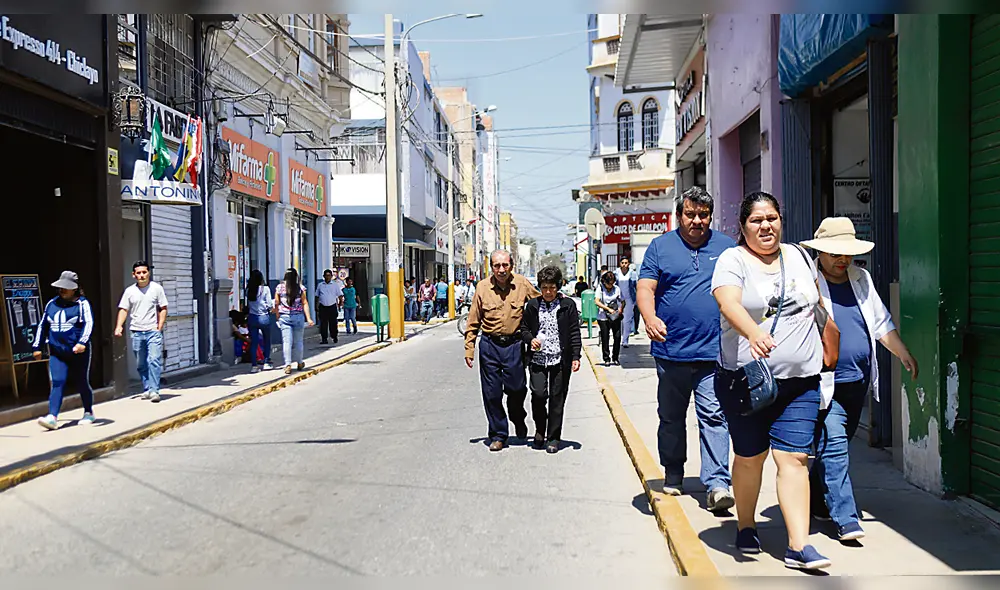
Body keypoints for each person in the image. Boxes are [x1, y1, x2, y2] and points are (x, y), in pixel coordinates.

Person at [711, 192, 832, 570]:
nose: (766, 226)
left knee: (794, 458)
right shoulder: (733, 260)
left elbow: (817, 304)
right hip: (746, 381)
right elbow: (727, 302)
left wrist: (831, 343)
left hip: (800, 383)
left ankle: (799, 545)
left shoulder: (798, 255)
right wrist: (752, 333)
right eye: (756, 220)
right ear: (743, 226)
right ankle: (746, 524)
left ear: (781, 220)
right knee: (750, 458)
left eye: (772, 218)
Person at [802, 217, 919, 542]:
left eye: (847, 254)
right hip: (824, 383)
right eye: (835, 254)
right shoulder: (806, 281)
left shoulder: (861, 278)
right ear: (821, 251)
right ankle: (846, 517)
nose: (842, 260)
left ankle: (815, 501)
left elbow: (880, 323)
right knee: (836, 445)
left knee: (832, 445)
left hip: (857, 382)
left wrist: (902, 352)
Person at [637, 186, 736, 509]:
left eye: (703, 215)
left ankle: (717, 483)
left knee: (714, 415)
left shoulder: (726, 247)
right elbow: (645, 288)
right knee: (671, 417)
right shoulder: (660, 247)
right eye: (690, 214)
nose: (697, 221)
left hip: (714, 353)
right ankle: (674, 471)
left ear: (710, 216)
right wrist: (649, 318)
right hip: (671, 352)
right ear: (679, 215)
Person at [464, 250, 540, 451]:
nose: (501, 270)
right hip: (489, 345)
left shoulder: (522, 284)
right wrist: (469, 348)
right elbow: (473, 321)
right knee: (492, 393)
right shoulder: (482, 287)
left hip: (514, 345)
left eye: (505, 265)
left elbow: (540, 305)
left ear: (511, 265)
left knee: (517, 389)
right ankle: (498, 434)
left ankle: (517, 417)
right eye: (497, 266)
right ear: (491, 267)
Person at [520, 265, 581, 453]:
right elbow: (524, 329)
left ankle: (553, 437)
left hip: (560, 359)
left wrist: (576, 356)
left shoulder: (567, 305)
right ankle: (540, 430)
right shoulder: (532, 306)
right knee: (538, 395)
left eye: (552, 288)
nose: (548, 292)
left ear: (558, 286)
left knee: (557, 398)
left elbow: (573, 332)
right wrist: (531, 340)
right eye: (544, 287)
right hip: (538, 359)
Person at [33, 271, 96, 430]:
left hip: (77, 352)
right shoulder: (52, 304)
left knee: (81, 381)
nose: (62, 290)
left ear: (74, 289)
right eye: (60, 287)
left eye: (66, 288)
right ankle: (52, 416)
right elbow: (43, 325)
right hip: (57, 352)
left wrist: (82, 342)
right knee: (57, 381)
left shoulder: (82, 304)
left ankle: (88, 412)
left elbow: (88, 324)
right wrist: (37, 346)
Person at [114, 260, 168, 403]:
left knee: (154, 360)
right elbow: (123, 309)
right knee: (141, 363)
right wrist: (119, 326)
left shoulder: (157, 288)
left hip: (153, 331)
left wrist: (159, 326)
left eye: (144, 272)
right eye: (139, 273)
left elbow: (163, 308)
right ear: (134, 275)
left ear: (148, 273)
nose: (142, 275)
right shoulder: (130, 291)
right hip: (137, 331)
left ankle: (155, 390)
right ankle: (147, 388)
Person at [274, 267, 314, 375]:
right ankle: (300, 362)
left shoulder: (279, 288)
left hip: (284, 317)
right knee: (299, 341)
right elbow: (305, 303)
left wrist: (277, 315)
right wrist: (309, 318)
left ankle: (287, 364)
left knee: (287, 342)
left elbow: (276, 303)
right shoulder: (300, 288)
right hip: (298, 317)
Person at [246, 269, 274, 373]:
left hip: (252, 317)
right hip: (263, 317)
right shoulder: (265, 289)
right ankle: (266, 361)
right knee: (267, 340)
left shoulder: (248, 290)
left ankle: (254, 366)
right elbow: (270, 304)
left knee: (254, 342)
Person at [595, 271, 623, 366]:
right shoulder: (600, 289)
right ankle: (606, 358)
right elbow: (597, 302)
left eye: (612, 283)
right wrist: (607, 309)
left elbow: (622, 301)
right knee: (605, 338)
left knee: (617, 336)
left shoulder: (617, 289)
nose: (610, 286)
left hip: (615, 317)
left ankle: (615, 357)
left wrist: (620, 309)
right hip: (603, 317)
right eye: (608, 284)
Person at [315, 269, 344, 345]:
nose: (327, 277)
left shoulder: (335, 285)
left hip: (332, 306)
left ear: (331, 276)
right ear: (323, 276)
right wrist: (316, 305)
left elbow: (340, 295)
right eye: (326, 276)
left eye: (329, 275)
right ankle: (324, 338)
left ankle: (334, 336)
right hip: (323, 307)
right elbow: (317, 296)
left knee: (333, 323)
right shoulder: (320, 285)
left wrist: (340, 303)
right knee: (323, 324)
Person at [615, 256, 638, 348]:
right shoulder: (616, 273)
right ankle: (618, 338)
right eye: (622, 263)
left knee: (627, 321)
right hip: (618, 299)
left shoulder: (632, 274)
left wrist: (637, 299)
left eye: (626, 263)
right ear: (620, 263)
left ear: (628, 264)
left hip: (629, 299)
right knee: (618, 320)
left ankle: (625, 340)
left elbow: (636, 286)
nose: (624, 265)